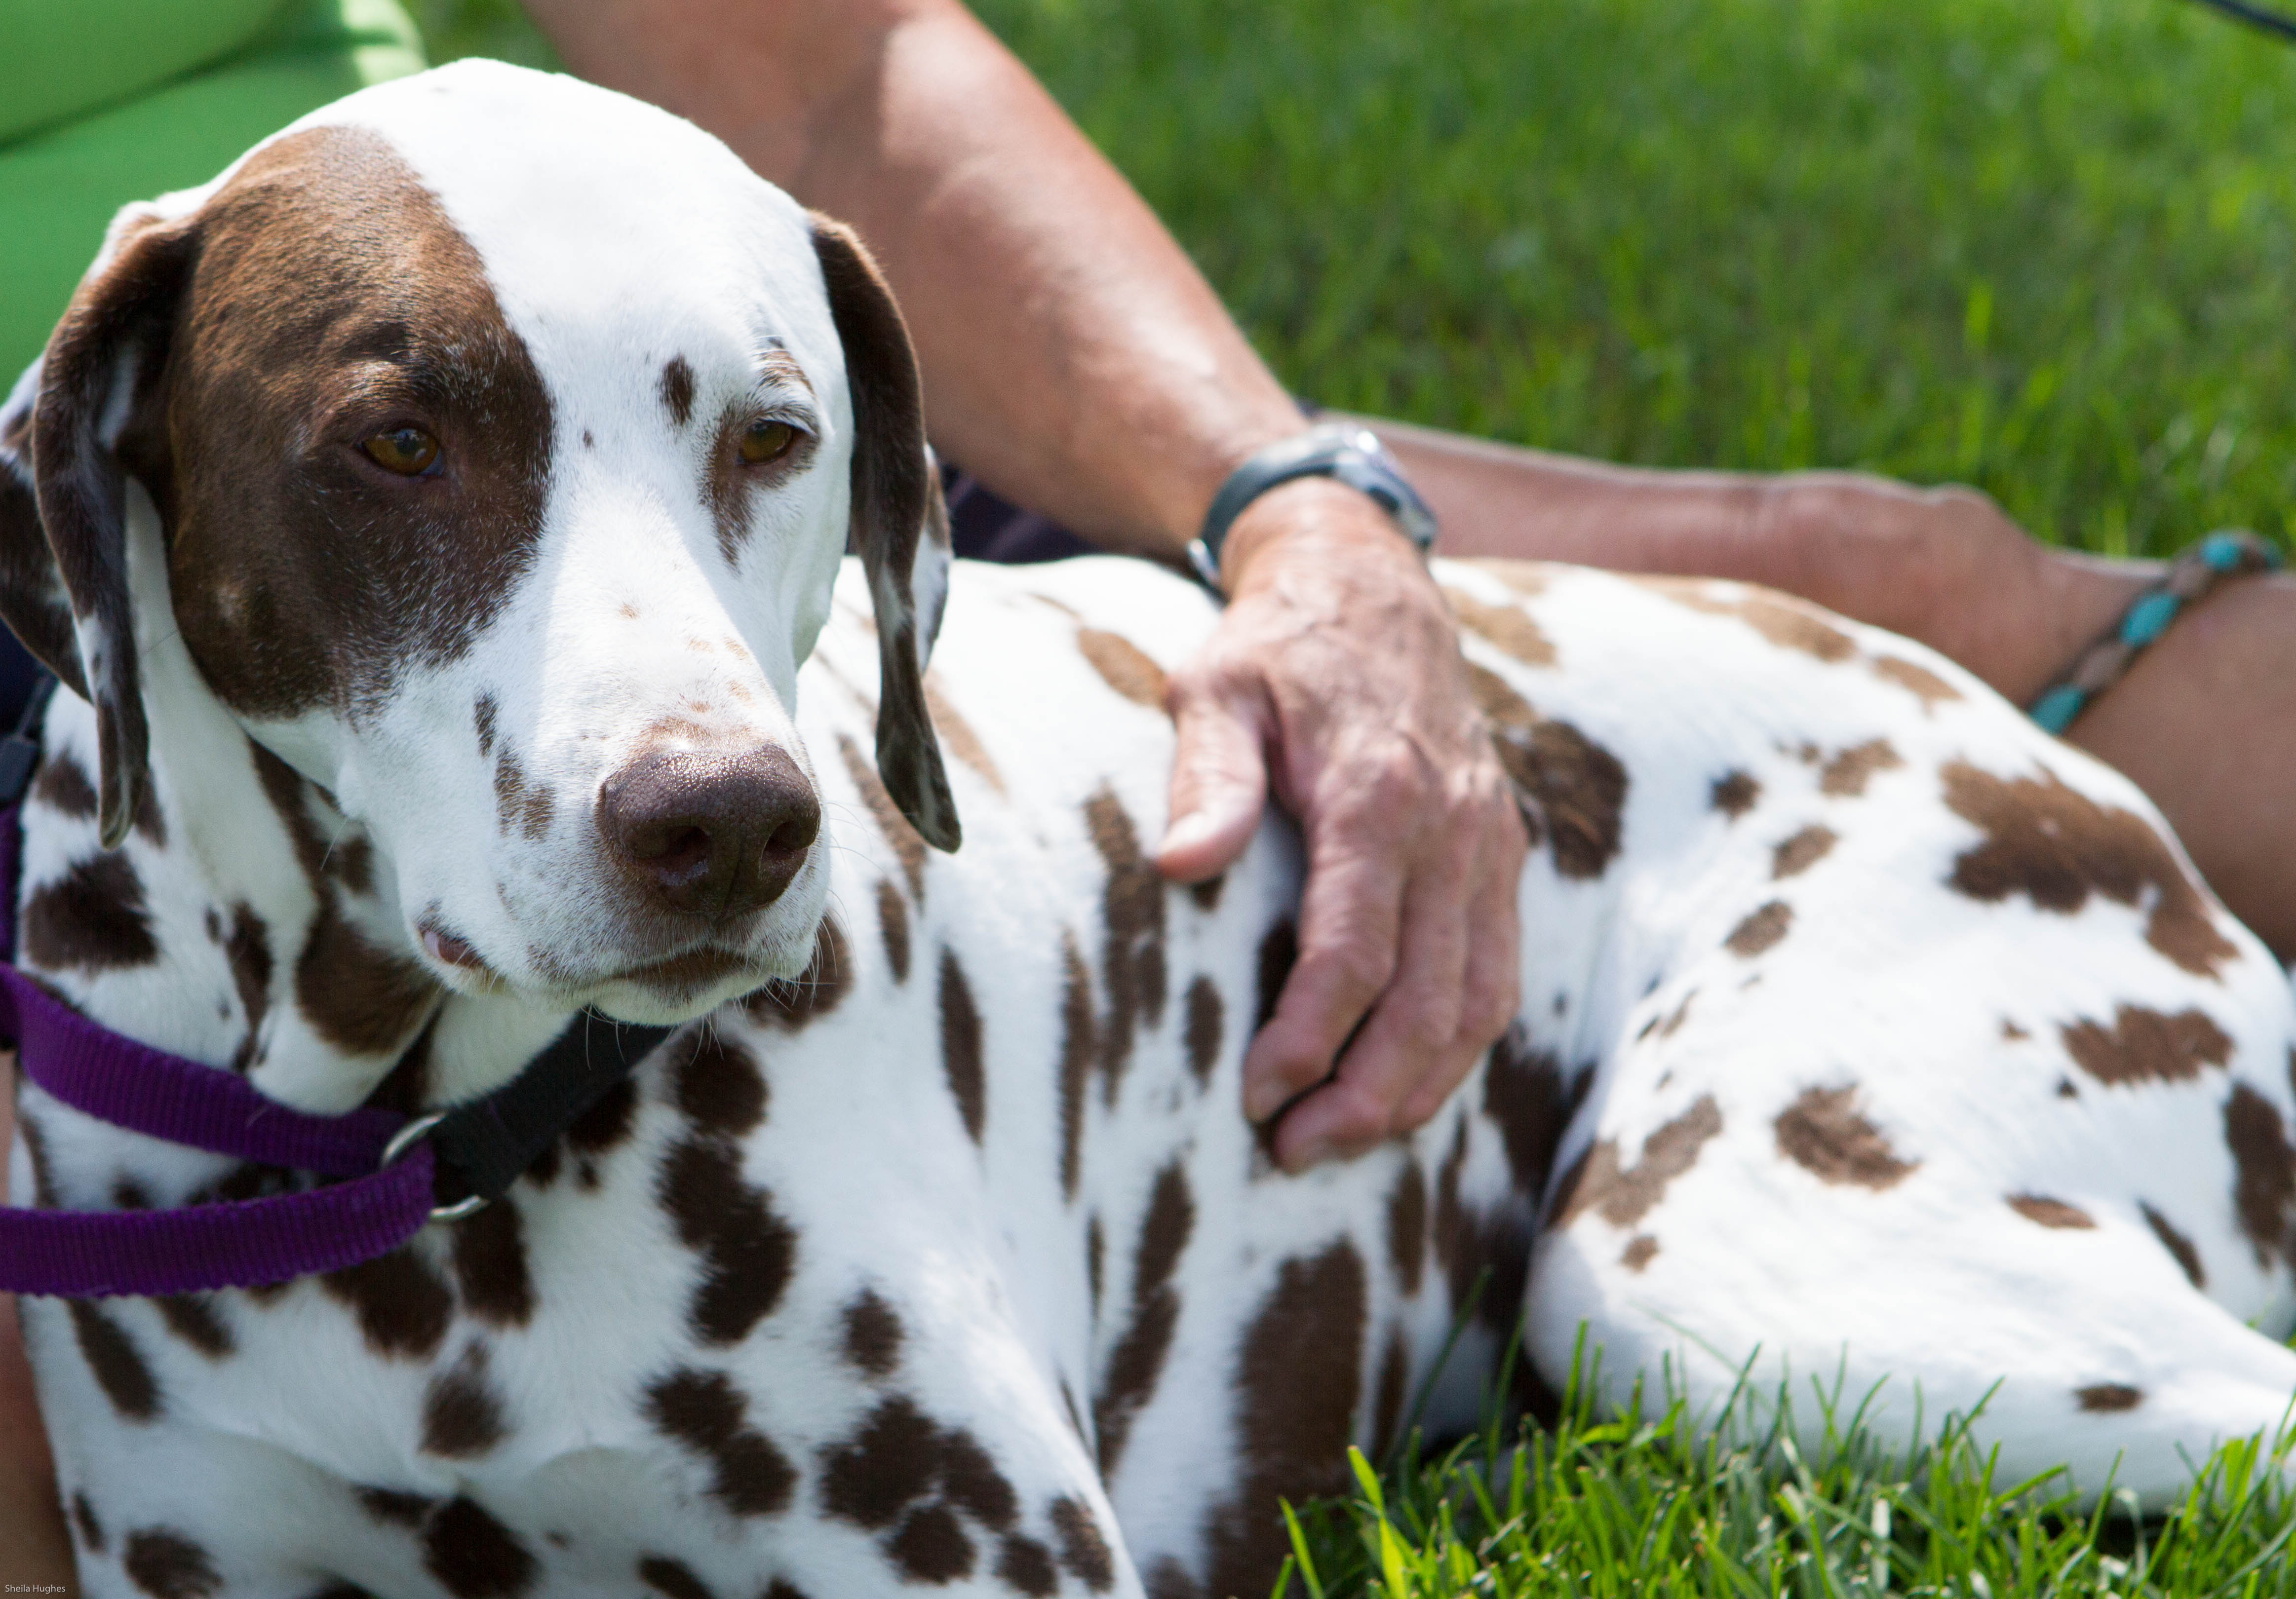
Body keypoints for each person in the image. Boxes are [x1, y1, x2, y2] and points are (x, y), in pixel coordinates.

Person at [6, 0, 2295, 1579]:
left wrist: (1290, 500)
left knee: (1718, 1295)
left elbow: (830, 69)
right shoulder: (102, 1026)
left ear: (876, 543)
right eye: (396, 451)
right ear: (97, 529)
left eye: (767, 451)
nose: (708, 759)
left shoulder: (823, 874)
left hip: (1807, 882)